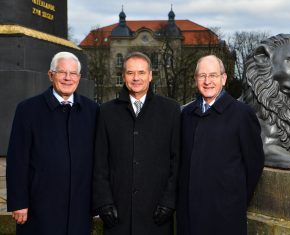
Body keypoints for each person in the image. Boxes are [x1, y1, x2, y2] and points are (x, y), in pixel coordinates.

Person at [6, 51, 98, 235]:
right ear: (50, 75)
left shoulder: (93, 110)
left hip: (79, 208)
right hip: (39, 207)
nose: (67, 78)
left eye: (73, 73)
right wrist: (18, 202)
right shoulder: (28, 109)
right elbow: (17, 159)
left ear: (79, 78)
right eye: (62, 72)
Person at [92, 52, 180, 235]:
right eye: (130, 73)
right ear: (123, 76)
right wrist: (104, 202)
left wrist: (169, 202)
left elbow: (177, 161)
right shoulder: (106, 112)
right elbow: (99, 163)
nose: (136, 78)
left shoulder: (170, 110)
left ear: (150, 75)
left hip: (157, 213)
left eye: (141, 72)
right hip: (118, 213)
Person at [177, 55, 265, 235]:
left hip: (225, 215)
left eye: (213, 75)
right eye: (202, 76)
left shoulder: (242, 114)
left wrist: (233, 199)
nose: (207, 81)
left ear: (223, 79)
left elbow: (254, 165)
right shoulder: (186, 114)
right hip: (189, 215)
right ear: (195, 80)